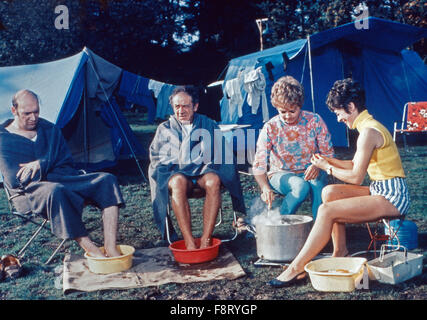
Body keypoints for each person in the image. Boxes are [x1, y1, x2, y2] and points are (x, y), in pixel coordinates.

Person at [269, 78, 410, 287]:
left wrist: (327, 168)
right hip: (380, 189)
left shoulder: (368, 132)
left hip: (392, 196)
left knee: (327, 210)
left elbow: (355, 177)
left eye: (338, 113)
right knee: (329, 192)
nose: (338, 119)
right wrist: (326, 160)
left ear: (350, 107)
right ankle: (339, 251)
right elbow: (354, 163)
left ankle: (296, 267)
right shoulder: (369, 127)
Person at [0, 89, 125, 258]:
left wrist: (41, 163)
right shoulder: (4, 138)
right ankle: (93, 251)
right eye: (26, 113)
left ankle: (111, 247)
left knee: (107, 180)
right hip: (28, 193)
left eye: (36, 111)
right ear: (14, 111)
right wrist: (50, 164)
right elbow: (16, 179)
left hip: (65, 179)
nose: (33, 117)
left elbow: (66, 162)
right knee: (56, 191)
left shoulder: (49, 129)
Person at [148, 86, 245, 250]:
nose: (181, 111)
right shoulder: (164, 129)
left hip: (204, 174)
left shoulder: (208, 124)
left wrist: (202, 164)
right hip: (177, 175)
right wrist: (182, 165)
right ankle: (189, 241)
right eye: (177, 106)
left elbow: (222, 153)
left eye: (185, 106)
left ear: (195, 106)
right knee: (178, 181)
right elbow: (158, 159)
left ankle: (206, 239)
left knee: (213, 180)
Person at [252, 76, 334, 219]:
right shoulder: (270, 127)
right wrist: (265, 187)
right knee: (300, 186)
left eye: (292, 111)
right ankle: (279, 224)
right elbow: (259, 164)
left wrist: (318, 165)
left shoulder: (314, 121)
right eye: (282, 112)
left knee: (317, 186)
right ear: (276, 108)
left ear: (300, 105)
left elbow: (328, 152)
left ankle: (319, 228)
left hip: (312, 170)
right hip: (280, 173)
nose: (287, 116)